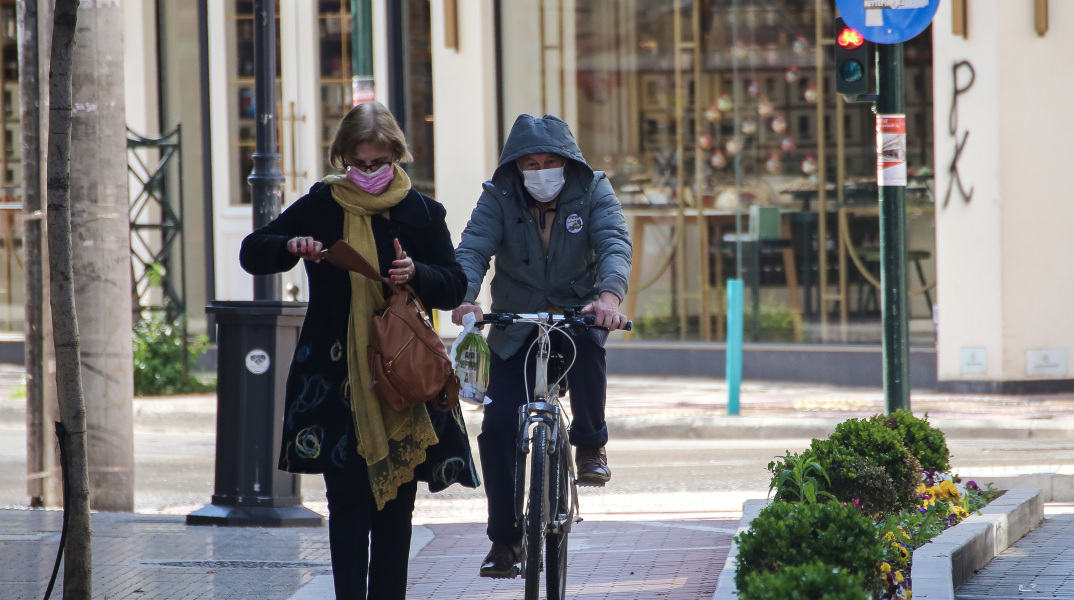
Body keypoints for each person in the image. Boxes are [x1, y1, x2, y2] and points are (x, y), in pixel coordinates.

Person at [240, 101, 478, 600]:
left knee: (396, 507)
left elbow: (455, 285)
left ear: (397, 155)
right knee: (346, 502)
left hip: (402, 377)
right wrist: (291, 246)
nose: (367, 173)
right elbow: (253, 251)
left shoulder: (423, 212)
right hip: (333, 380)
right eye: (357, 163)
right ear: (341, 157)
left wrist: (417, 274)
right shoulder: (323, 204)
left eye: (377, 163)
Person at [451, 113, 632, 577]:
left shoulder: (594, 191)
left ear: (569, 163)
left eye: (550, 161)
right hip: (515, 324)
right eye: (530, 163)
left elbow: (614, 243)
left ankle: (591, 445)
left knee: (591, 344)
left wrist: (608, 298)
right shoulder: (497, 197)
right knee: (496, 429)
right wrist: (465, 296)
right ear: (515, 167)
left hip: (576, 313)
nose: (540, 170)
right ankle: (505, 542)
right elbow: (473, 248)